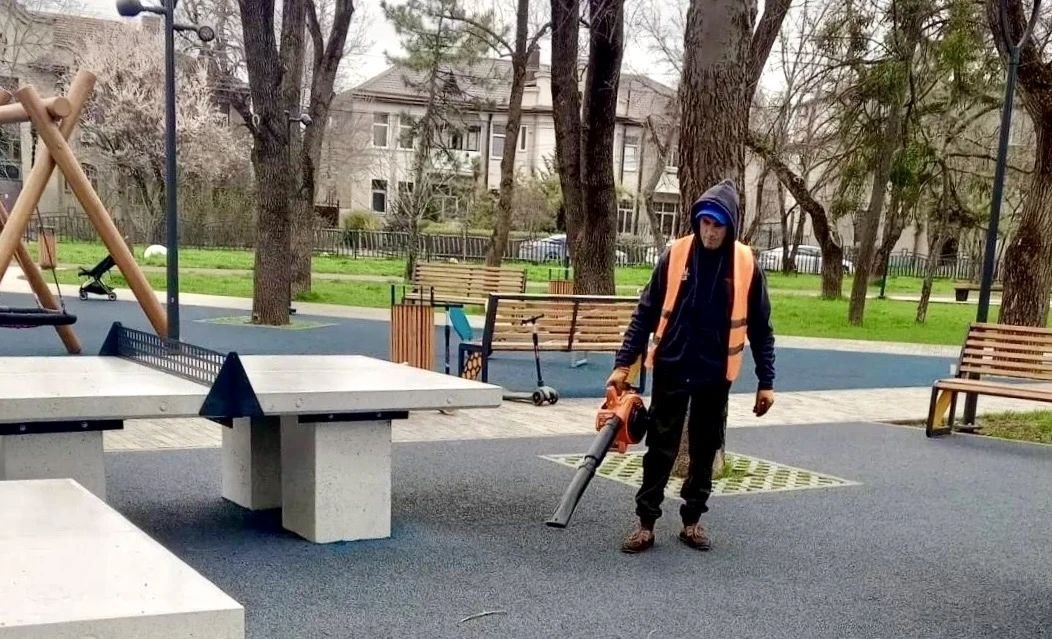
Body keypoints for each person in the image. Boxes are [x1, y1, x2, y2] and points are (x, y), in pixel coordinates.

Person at [607, 178, 776, 554]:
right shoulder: (676, 255)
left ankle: (692, 521)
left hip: (715, 373)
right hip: (672, 365)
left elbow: (762, 329)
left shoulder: (745, 265)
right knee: (660, 448)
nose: (710, 232)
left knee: (704, 449)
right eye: (705, 223)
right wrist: (623, 364)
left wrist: (766, 381)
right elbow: (645, 313)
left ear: (730, 226)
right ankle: (645, 523)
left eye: (718, 225)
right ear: (697, 221)